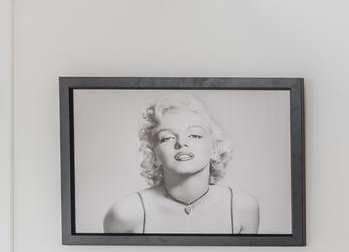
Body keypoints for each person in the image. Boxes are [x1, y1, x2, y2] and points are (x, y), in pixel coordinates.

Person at [103, 93, 261, 235]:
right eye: (167, 138)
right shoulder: (125, 213)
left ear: (214, 148)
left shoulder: (242, 208)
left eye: (194, 135)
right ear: (154, 154)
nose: (181, 143)